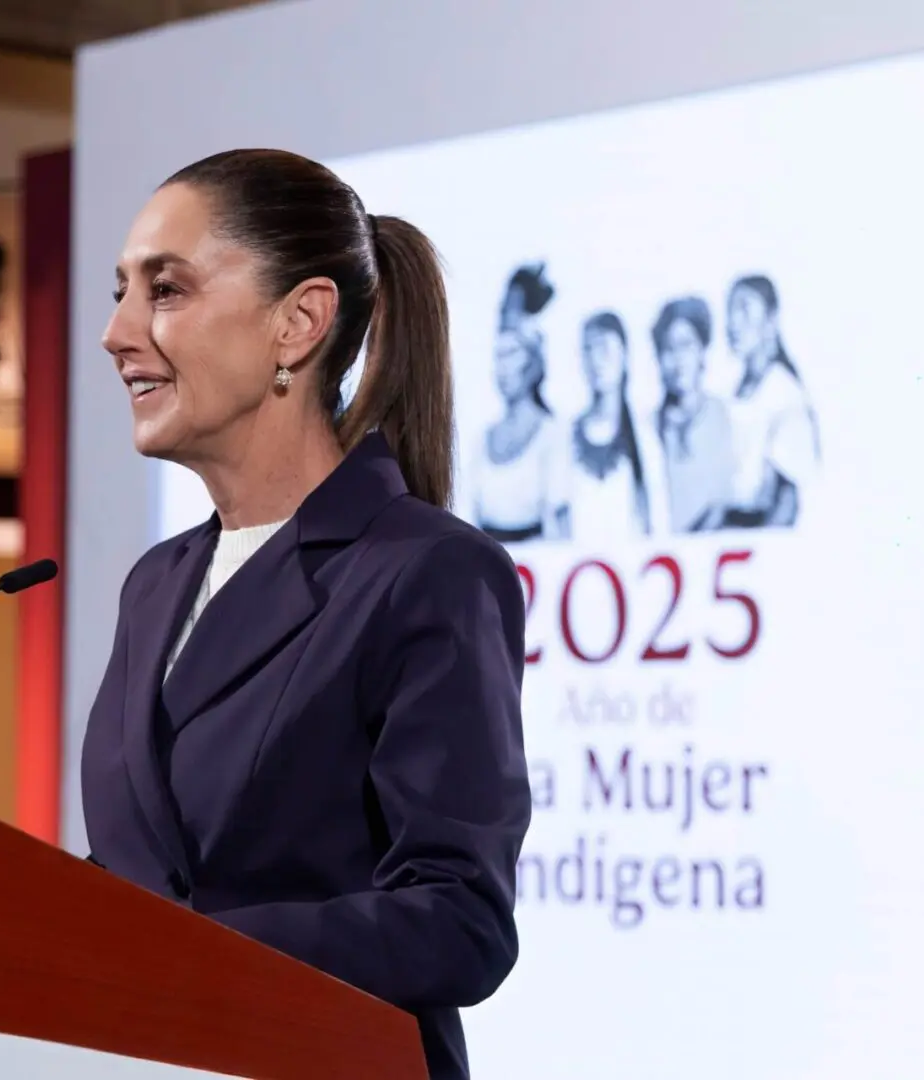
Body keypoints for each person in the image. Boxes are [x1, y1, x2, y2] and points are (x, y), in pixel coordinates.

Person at [81, 148, 531, 1080]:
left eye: (164, 289)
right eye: (120, 290)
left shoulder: (428, 572)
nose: (117, 332)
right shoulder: (155, 585)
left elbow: (460, 920)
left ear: (299, 322)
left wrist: (176, 958)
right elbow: (138, 876)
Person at [467, 265, 571, 543]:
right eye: (499, 356)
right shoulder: (481, 439)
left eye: (512, 354)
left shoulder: (553, 433)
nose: (504, 367)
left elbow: (561, 529)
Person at [723, 274, 819, 527]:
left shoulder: (783, 392)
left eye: (744, 310)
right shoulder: (738, 392)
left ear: (771, 320)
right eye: (730, 311)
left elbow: (787, 499)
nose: (733, 323)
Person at [566, 311, 660, 539]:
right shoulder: (567, 435)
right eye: (588, 350)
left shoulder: (645, 434)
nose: (597, 361)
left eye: (605, 349)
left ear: (624, 355)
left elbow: (657, 518)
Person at [650, 297, 734, 532]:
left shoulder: (724, 417)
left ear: (702, 351)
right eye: (669, 349)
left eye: (686, 345)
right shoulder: (647, 428)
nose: (678, 360)